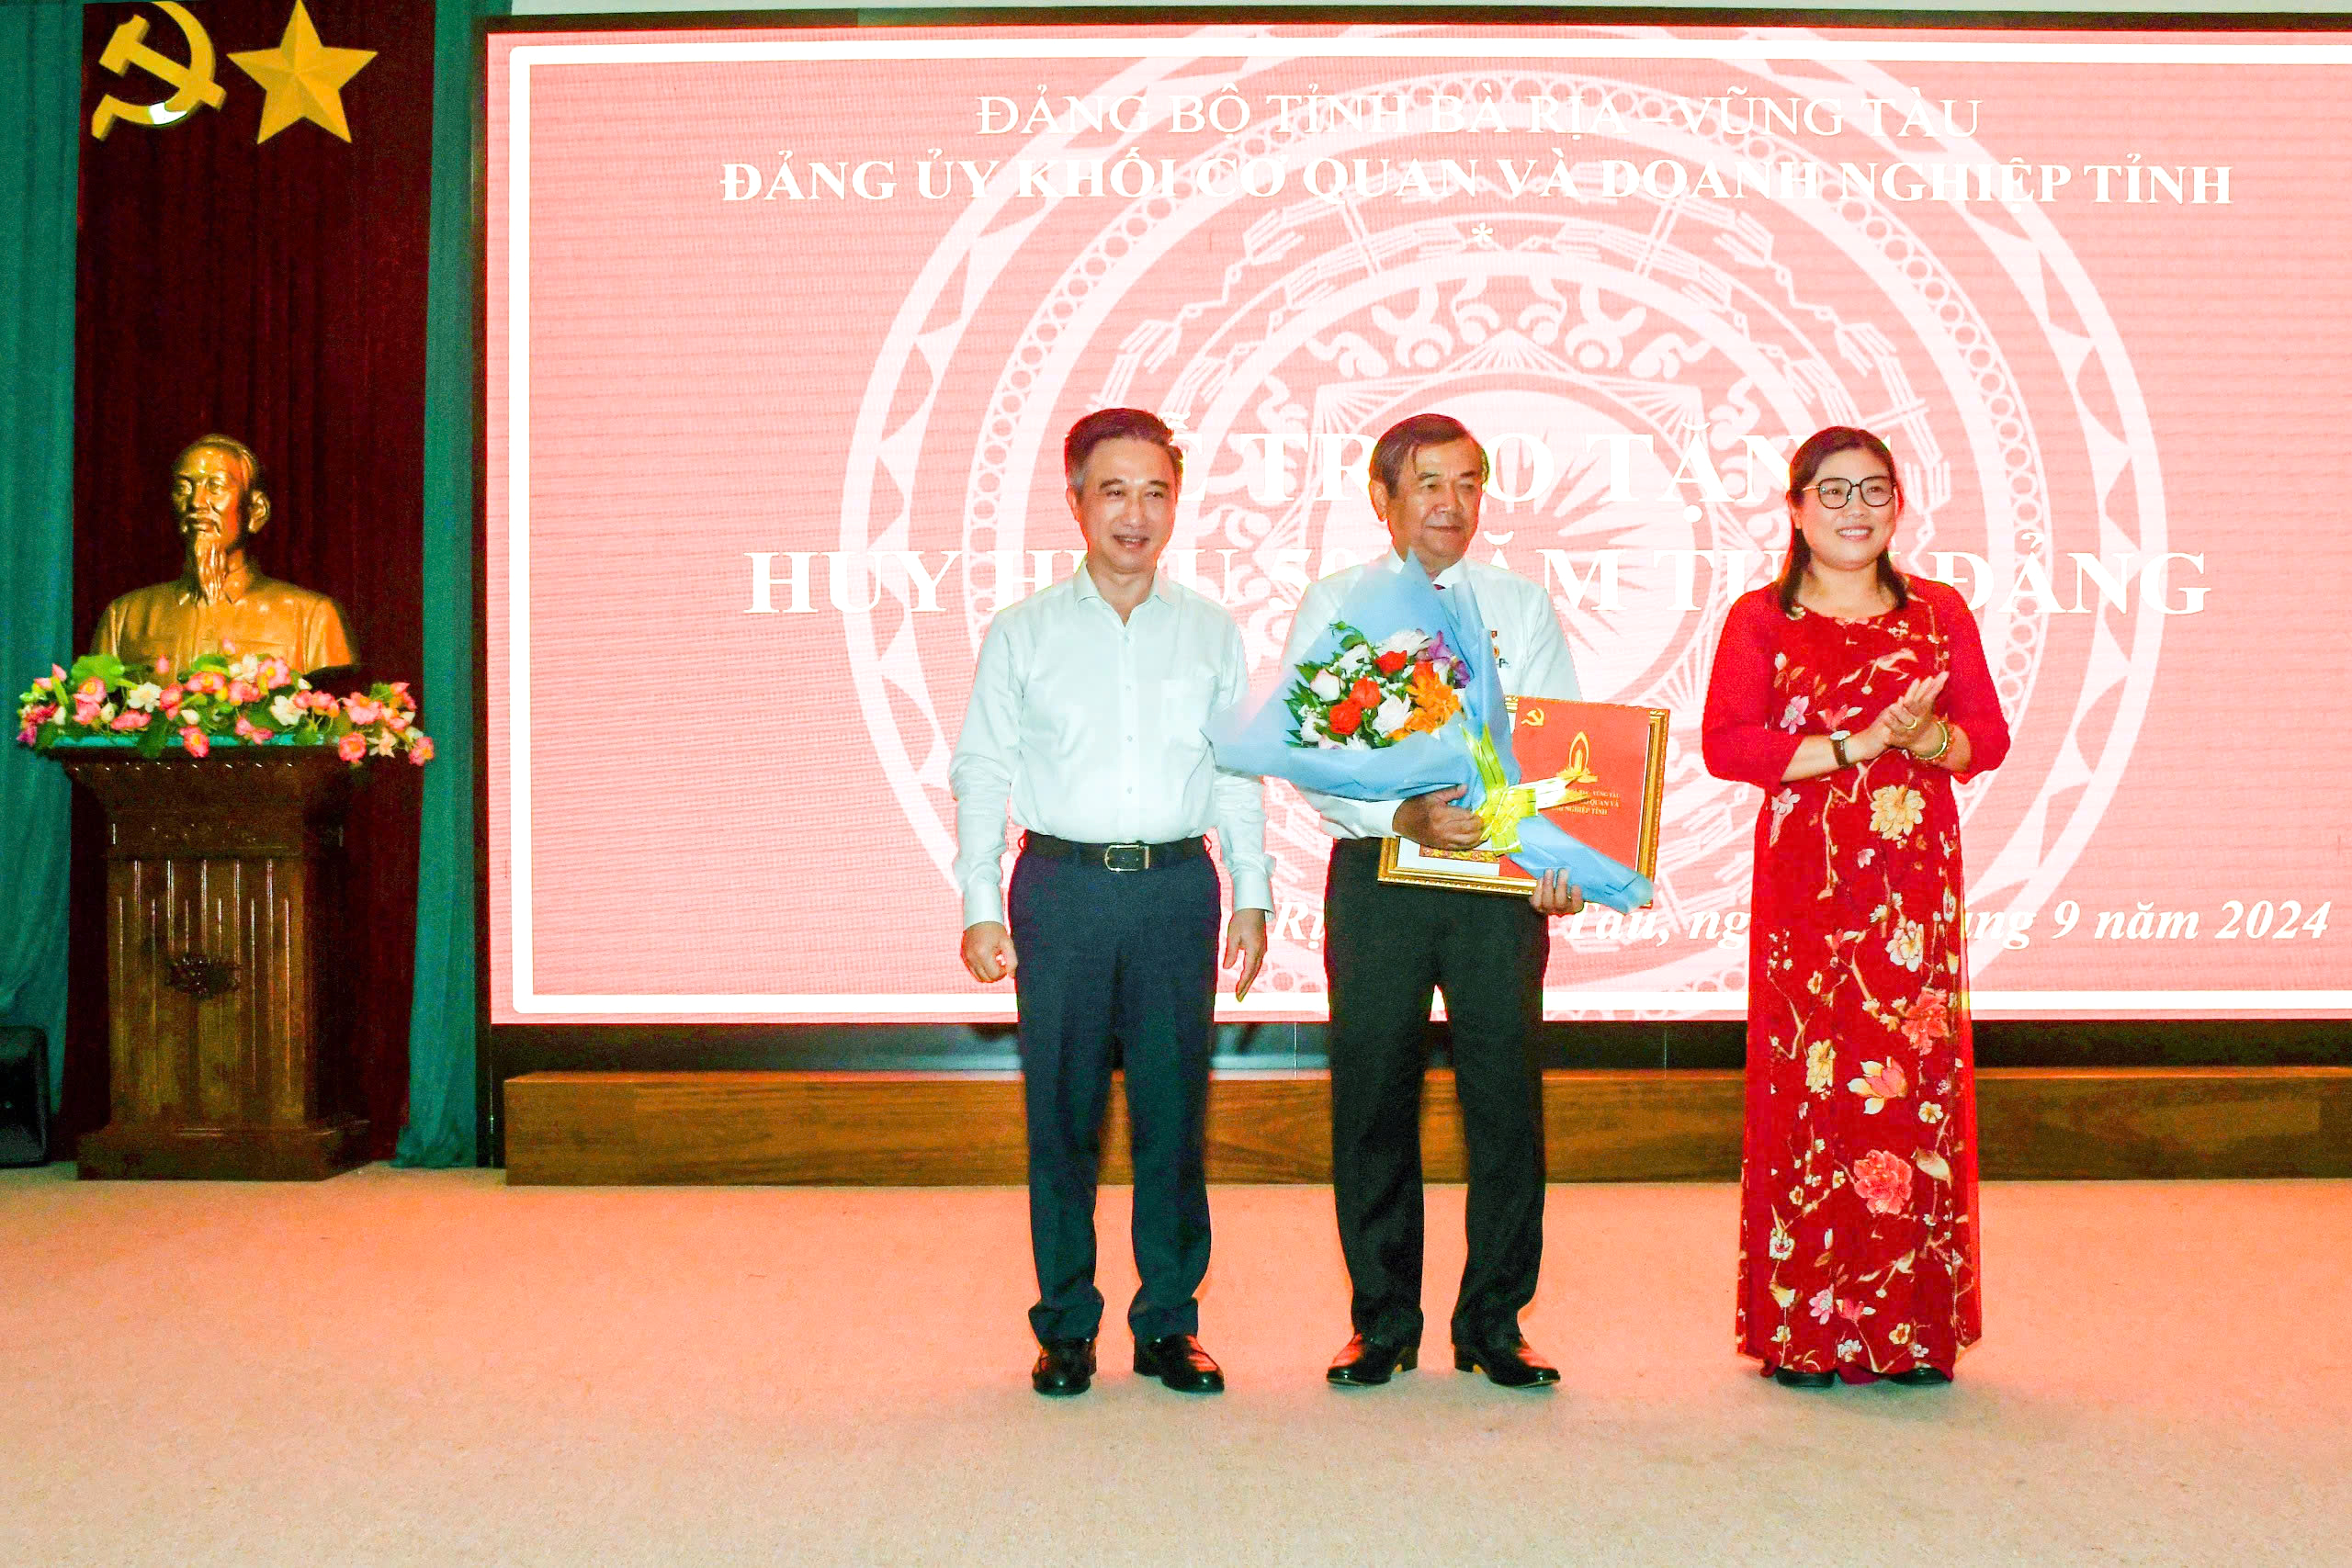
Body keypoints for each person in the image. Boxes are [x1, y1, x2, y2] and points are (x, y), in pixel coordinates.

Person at [950, 408, 1271, 1398]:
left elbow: (1235, 772)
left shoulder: (1210, 631)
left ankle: (1169, 1323)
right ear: (1077, 501)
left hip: (1177, 889)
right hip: (1062, 891)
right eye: (1115, 491)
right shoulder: (1024, 631)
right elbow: (982, 766)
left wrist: (1253, 890)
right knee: (1063, 1115)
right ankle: (1066, 1326)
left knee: (1174, 1116)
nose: (1136, 514)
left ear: (1176, 503)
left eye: (1156, 492)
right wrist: (979, 900)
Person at [1701, 425, 2011, 1389]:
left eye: (1874, 490)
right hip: (1808, 884)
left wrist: (1922, 740)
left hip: (1912, 885)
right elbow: (1726, 744)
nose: (1855, 510)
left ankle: (1910, 1331)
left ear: (1898, 505)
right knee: (1813, 1078)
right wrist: (1853, 744)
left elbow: (1987, 738)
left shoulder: (1938, 612)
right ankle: (1804, 1330)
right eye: (1831, 492)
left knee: (1911, 1082)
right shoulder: (1762, 618)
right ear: (1795, 509)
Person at [1282, 412, 1586, 1391]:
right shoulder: (1337, 601)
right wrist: (1399, 813)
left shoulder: (1520, 604)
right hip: (1378, 873)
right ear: (1383, 499)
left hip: (1499, 885)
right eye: (1427, 483)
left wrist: (1562, 860)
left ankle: (1495, 1321)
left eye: (1467, 483)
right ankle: (1382, 1321)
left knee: (1505, 1100)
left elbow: (1563, 747)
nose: (1450, 503)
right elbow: (1310, 750)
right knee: (1373, 1095)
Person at [91, 434, 357, 674]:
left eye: (215, 487)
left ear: (255, 511)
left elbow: (335, 709)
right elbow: (90, 708)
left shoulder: (312, 618)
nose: (196, 502)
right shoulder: (124, 618)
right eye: (183, 489)